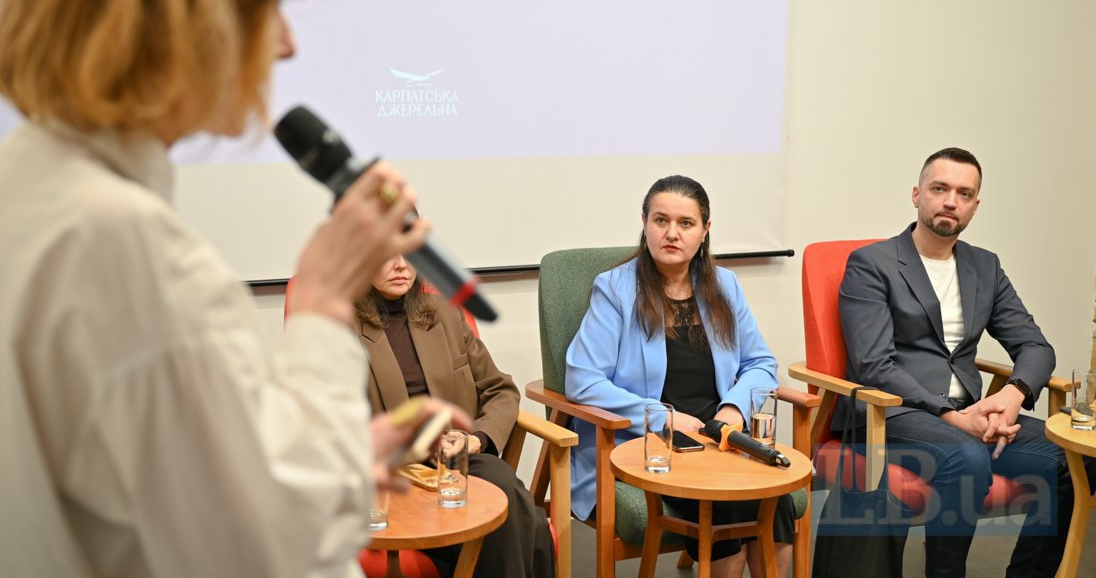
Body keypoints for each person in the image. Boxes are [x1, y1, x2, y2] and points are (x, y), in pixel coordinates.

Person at [0, 0, 463, 578]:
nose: (288, 44)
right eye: (270, 3)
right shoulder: (120, 243)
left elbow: (146, 489)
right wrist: (326, 296)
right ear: (184, 9)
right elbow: (267, 545)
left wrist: (330, 458)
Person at [835, 146, 1095, 578]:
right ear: (917, 194)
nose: (950, 201)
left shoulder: (984, 266)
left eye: (964, 192)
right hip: (894, 411)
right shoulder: (872, 263)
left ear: (975, 205)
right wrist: (951, 417)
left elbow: (1036, 347)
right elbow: (873, 365)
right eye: (939, 188)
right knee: (968, 457)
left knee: (1076, 459)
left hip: (973, 414)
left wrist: (1012, 395)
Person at [565, 175, 794, 578]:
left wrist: (734, 409)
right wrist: (662, 416)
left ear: (705, 231)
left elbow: (761, 363)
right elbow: (582, 379)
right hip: (649, 445)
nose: (672, 233)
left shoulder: (725, 286)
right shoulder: (615, 289)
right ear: (644, 223)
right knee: (732, 501)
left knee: (777, 497)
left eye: (686, 223)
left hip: (718, 437)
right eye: (660, 220)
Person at [338, 253, 554, 578]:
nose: (400, 264)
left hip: (457, 462)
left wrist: (476, 440)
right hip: (391, 477)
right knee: (526, 521)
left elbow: (501, 389)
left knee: (510, 500)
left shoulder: (444, 313)